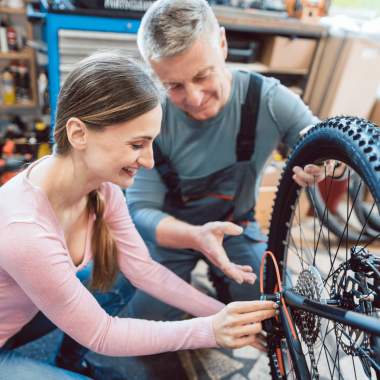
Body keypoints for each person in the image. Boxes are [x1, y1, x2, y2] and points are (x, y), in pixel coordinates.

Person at [0, 51, 279, 380]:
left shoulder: (103, 192)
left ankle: (69, 361)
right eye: (137, 144)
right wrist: (210, 330)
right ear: (78, 134)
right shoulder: (23, 229)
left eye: (152, 144)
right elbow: (103, 333)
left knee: (120, 274)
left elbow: (146, 272)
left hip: (21, 315)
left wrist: (231, 316)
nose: (148, 161)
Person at [127, 0, 344, 325]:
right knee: (147, 321)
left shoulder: (269, 101)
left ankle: (223, 277)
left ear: (223, 44)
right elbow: (140, 210)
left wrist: (327, 164)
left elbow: (330, 146)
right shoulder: (153, 117)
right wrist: (197, 237)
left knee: (267, 305)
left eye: (203, 75)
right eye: (174, 85)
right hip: (173, 235)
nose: (195, 97)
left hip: (235, 227)